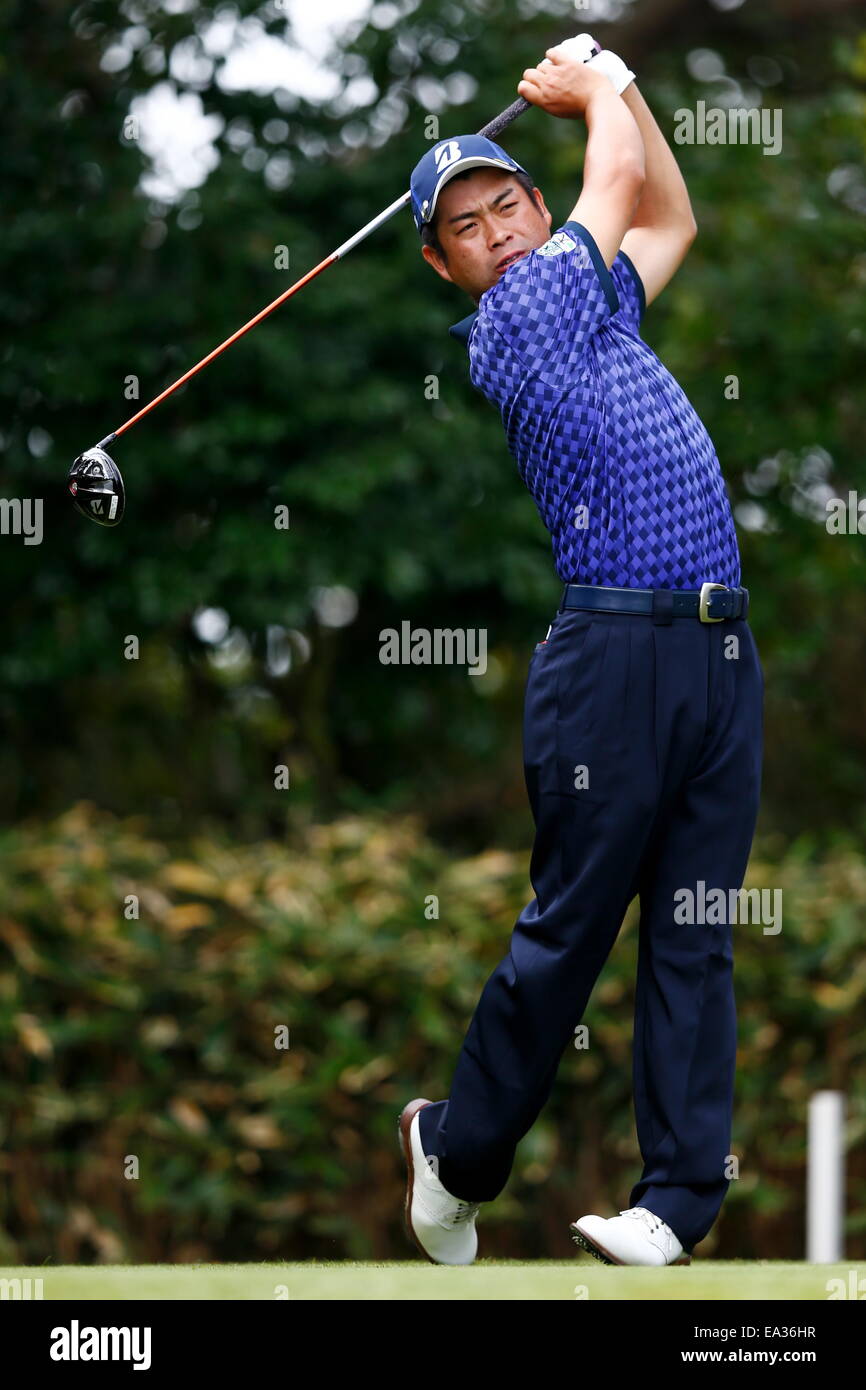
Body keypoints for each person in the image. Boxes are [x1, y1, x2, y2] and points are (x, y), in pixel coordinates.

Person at [398, 35, 764, 1268]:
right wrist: (599, 87)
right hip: (608, 656)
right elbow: (615, 192)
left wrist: (629, 91)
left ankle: (673, 1201)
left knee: (693, 930)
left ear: (534, 207)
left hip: (717, 652)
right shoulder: (514, 325)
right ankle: (455, 1152)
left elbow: (666, 212)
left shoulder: (598, 303)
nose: (493, 230)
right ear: (447, 267)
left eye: (508, 203)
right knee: (571, 932)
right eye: (464, 226)